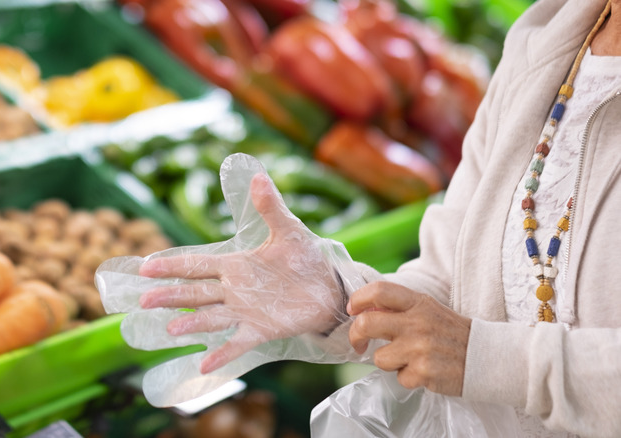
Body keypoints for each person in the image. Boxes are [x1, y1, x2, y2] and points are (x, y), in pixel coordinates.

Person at [127, 0, 621, 435]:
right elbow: (452, 277)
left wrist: (486, 358)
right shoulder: (547, 38)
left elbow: (473, 345)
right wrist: (341, 302)